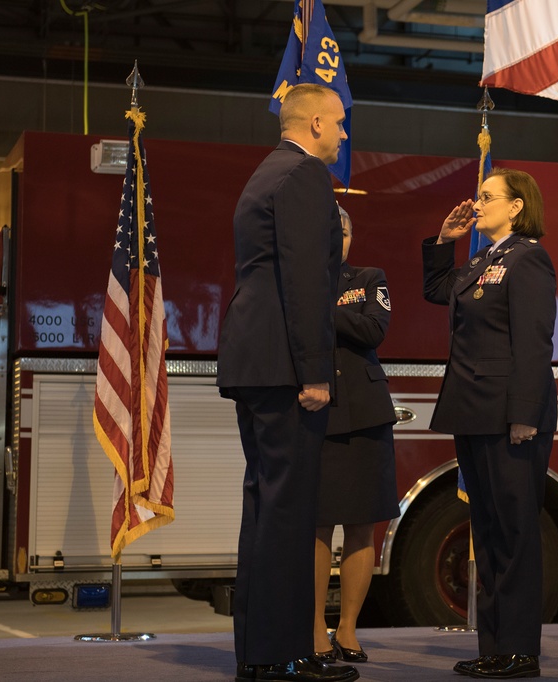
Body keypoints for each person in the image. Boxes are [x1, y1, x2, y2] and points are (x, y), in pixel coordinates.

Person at [217, 83, 359, 682]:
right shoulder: (303, 178)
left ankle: (261, 652)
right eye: (342, 124)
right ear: (318, 123)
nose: (345, 135)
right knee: (290, 511)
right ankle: (285, 655)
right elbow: (305, 282)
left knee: (266, 507)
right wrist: (315, 372)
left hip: (254, 357)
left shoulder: (264, 174)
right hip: (284, 363)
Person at [422, 168, 558, 680]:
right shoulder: (483, 259)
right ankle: (494, 646)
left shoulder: (529, 259)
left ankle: (519, 650)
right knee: (488, 531)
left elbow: (534, 343)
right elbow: (440, 290)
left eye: (487, 197)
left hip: (509, 415)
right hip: (474, 410)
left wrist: (524, 414)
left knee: (515, 533)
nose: (476, 204)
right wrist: (444, 240)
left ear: (516, 206)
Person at [313, 206, 399, 664]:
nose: (338, 238)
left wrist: (321, 306)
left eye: (344, 230)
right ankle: (314, 631)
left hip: (366, 415)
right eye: (330, 231)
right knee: (317, 525)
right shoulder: (296, 281)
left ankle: (347, 629)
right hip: (317, 416)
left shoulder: (369, 278)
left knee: (362, 526)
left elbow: (372, 329)